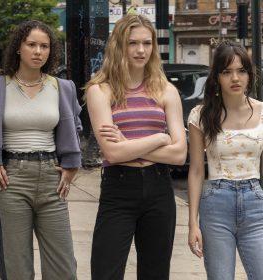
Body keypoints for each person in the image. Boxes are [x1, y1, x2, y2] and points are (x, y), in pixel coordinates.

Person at [85, 14, 187, 280]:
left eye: (147, 43)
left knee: (155, 273)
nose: (141, 50)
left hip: (159, 188)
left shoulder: (166, 91)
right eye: (132, 43)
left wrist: (129, 144)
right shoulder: (100, 90)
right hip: (118, 189)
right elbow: (113, 153)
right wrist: (160, 138)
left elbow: (180, 155)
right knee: (105, 272)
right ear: (119, 45)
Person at [0, 20, 82, 280]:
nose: (38, 51)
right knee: (16, 267)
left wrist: (71, 167)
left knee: (63, 269)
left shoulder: (62, 88)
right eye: (32, 45)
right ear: (18, 48)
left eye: (44, 46)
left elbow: (75, 128)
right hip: (12, 179)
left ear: (51, 51)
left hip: (52, 178)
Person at [187, 40, 263, 280]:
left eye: (241, 71)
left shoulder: (262, 112)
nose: (235, 78)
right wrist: (192, 223)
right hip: (216, 204)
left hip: (256, 203)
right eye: (227, 71)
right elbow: (197, 171)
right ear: (217, 77)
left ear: (250, 76)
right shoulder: (201, 115)